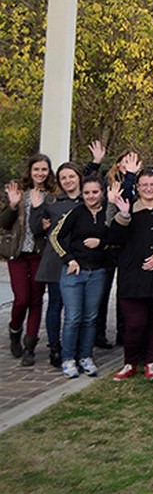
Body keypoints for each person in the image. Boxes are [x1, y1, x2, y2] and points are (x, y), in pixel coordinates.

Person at [105, 168, 153, 381]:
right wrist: (123, 216)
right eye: (144, 185)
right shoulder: (128, 208)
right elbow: (114, 239)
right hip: (132, 276)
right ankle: (130, 362)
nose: (149, 189)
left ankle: (152, 362)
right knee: (135, 324)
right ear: (138, 188)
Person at [49, 177, 115, 378]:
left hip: (98, 272)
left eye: (95, 192)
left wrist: (101, 243)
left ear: (102, 192)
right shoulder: (76, 213)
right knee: (73, 318)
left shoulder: (108, 213)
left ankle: (86, 356)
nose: (90, 196)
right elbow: (55, 236)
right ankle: (68, 358)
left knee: (90, 318)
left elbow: (117, 238)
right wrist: (69, 259)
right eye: (86, 193)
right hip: (74, 272)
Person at [30, 162, 85, 367]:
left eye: (71, 176)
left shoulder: (87, 199)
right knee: (56, 304)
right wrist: (36, 208)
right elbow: (36, 229)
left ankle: (76, 347)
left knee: (77, 308)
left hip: (81, 259)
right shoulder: (52, 201)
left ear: (79, 176)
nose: (68, 181)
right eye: (63, 178)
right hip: (56, 259)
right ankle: (54, 346)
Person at [1, 154, 54, 365]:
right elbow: (4, 223)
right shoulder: (18, 193)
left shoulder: (51, 195)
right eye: (36, 169)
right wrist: (13, 206)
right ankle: (15, 330)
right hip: (18, 254)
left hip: (40, 255)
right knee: (22, 298)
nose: (40, 173)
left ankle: (30, 346)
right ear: (30, 171)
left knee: (35, 299)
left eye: (44, 169)